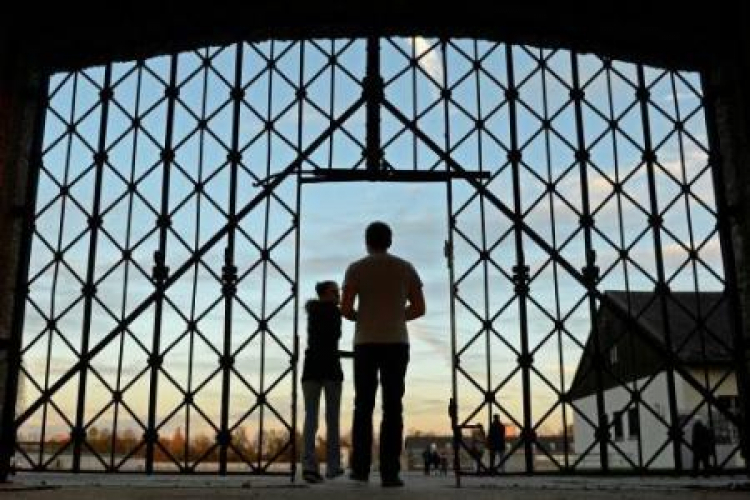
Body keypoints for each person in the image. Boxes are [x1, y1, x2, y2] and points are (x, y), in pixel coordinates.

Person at [341, 221, 426, 488]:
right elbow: (420, 307)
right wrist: (396, 317)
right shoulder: (405, 267)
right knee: (393, 406)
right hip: (396, 342)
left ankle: (361, 469)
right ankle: (390, 472)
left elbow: (345, 309)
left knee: (363, 405)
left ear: (367, 241)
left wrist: (362, 317)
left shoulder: (356, 268)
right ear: (390, 241)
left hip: (365, 342)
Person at [301, 281, 344, 483]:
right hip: (331, 369)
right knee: (332, 420)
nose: (338, 295)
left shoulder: (313, 312)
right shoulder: (334, 313)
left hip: (311, 368)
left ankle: (309, 466)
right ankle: (333, 467)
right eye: (335, 291)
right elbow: (334, 337)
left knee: (311, 419)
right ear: (325, 293)